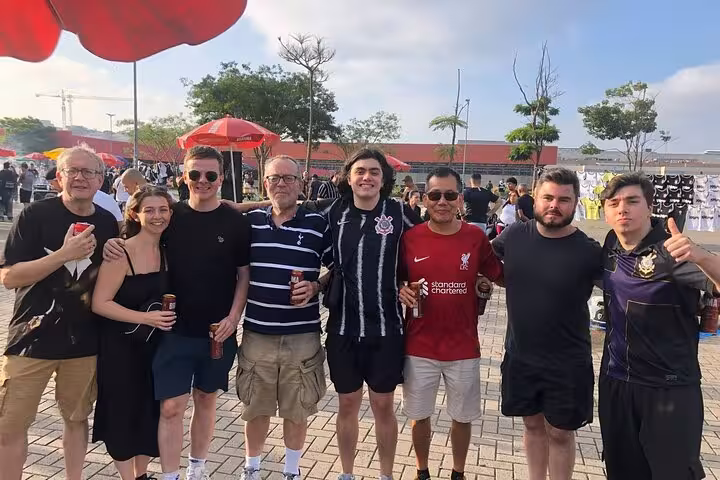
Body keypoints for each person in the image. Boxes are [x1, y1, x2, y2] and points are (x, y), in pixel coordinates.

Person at [104, 146, 251, 480]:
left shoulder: (235, 222)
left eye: (210, 175)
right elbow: (137, 229)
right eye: (195, 174)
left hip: (218, 331)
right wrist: (110, 241)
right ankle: (170, 474)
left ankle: (197, 470)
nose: (203, 181)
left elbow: (244, 275)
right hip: (173, 331)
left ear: (221, 178)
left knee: (205, 399)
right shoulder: (172, 217)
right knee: (171, 406)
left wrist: (233, 318)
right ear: (184, 177)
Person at [0, 145, 119, 480]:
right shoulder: (35, 215)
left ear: (100, 179)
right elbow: (9, 278)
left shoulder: (107, 222)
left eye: (88, 172)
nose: (80, 177)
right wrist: (63, 255)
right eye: (73, 171)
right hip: (29, 340)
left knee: (77, 419)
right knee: (10, 425)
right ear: (59, 177)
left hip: (83, 342)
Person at [306, 148, 422, 480]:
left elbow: (428, 243)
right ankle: (347, 473)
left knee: (383, 405)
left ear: (384, 179)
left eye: (373, 171)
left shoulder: (400, 213)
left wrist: (409, 283)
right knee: (347, 404)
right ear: (349, 177)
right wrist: (237, 206)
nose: (366, 177)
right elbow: (288, 209)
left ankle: (386, 474)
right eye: (360, 171)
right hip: (342, 328)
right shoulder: (333, 212)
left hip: (386, 329)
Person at [598, 173, 720, 480]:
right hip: (617, 382)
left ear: (650, 206)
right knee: (622, 470)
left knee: (673, 473)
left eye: (632, 201)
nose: (622, 209)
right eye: (614, 203)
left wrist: (703, 256)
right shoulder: (611, 244)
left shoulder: (673, 251)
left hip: (668, 388)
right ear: (605, 212)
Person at [489, 167, 602, 480]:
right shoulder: (513, 236)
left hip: (569, 361)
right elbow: (489, 266)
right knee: (532, 425)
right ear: (534, 199)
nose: (555, 205)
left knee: (561, 434)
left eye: (564, 199)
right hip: (520, 355)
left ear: (575, 202)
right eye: (548, 197)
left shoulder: (589, 251)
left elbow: (626, 289)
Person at [398, 167, 503, 480]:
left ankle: (458, 473)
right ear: (424, 200)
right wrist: (399, 289)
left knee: (462, 416)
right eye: (434, 195)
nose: (441, 201)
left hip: (463, 347)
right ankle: (422, 471)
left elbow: (498, 274)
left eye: (449, 195)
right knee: (419, 416)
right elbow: (393, 279)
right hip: (419, 345)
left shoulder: (475, 237)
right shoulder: (410, 238)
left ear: (460, 199)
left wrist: (487, 285)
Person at [238, 155, 332, 480]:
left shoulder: (318, 224)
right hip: (257, 333)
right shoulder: (251, 223)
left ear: (301, 183)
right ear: (264, 183)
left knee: (298, 407)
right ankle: (251, 468)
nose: (281, 184)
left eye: (289, 178)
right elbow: (220, 211)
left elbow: (336, 266)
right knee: (255, 406)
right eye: (274, 178)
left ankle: (292, 471)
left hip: (302, 335)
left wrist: (316, 284)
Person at [91, 186, 175, 480]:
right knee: (122, 414)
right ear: (135, 214)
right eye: (149, 210)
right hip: (120, 348)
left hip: (153, 348)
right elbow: (100, 303)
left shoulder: (167, 251)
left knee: (146, 413)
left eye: (163, 210)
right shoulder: (121, 251)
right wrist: (146, 318)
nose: (157, 216)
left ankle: (142, 475)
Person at [46, 167, 123, 228]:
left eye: (51, 184)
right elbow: (120, 225)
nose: (52, 188)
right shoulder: (108, 199)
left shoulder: (63, 199)